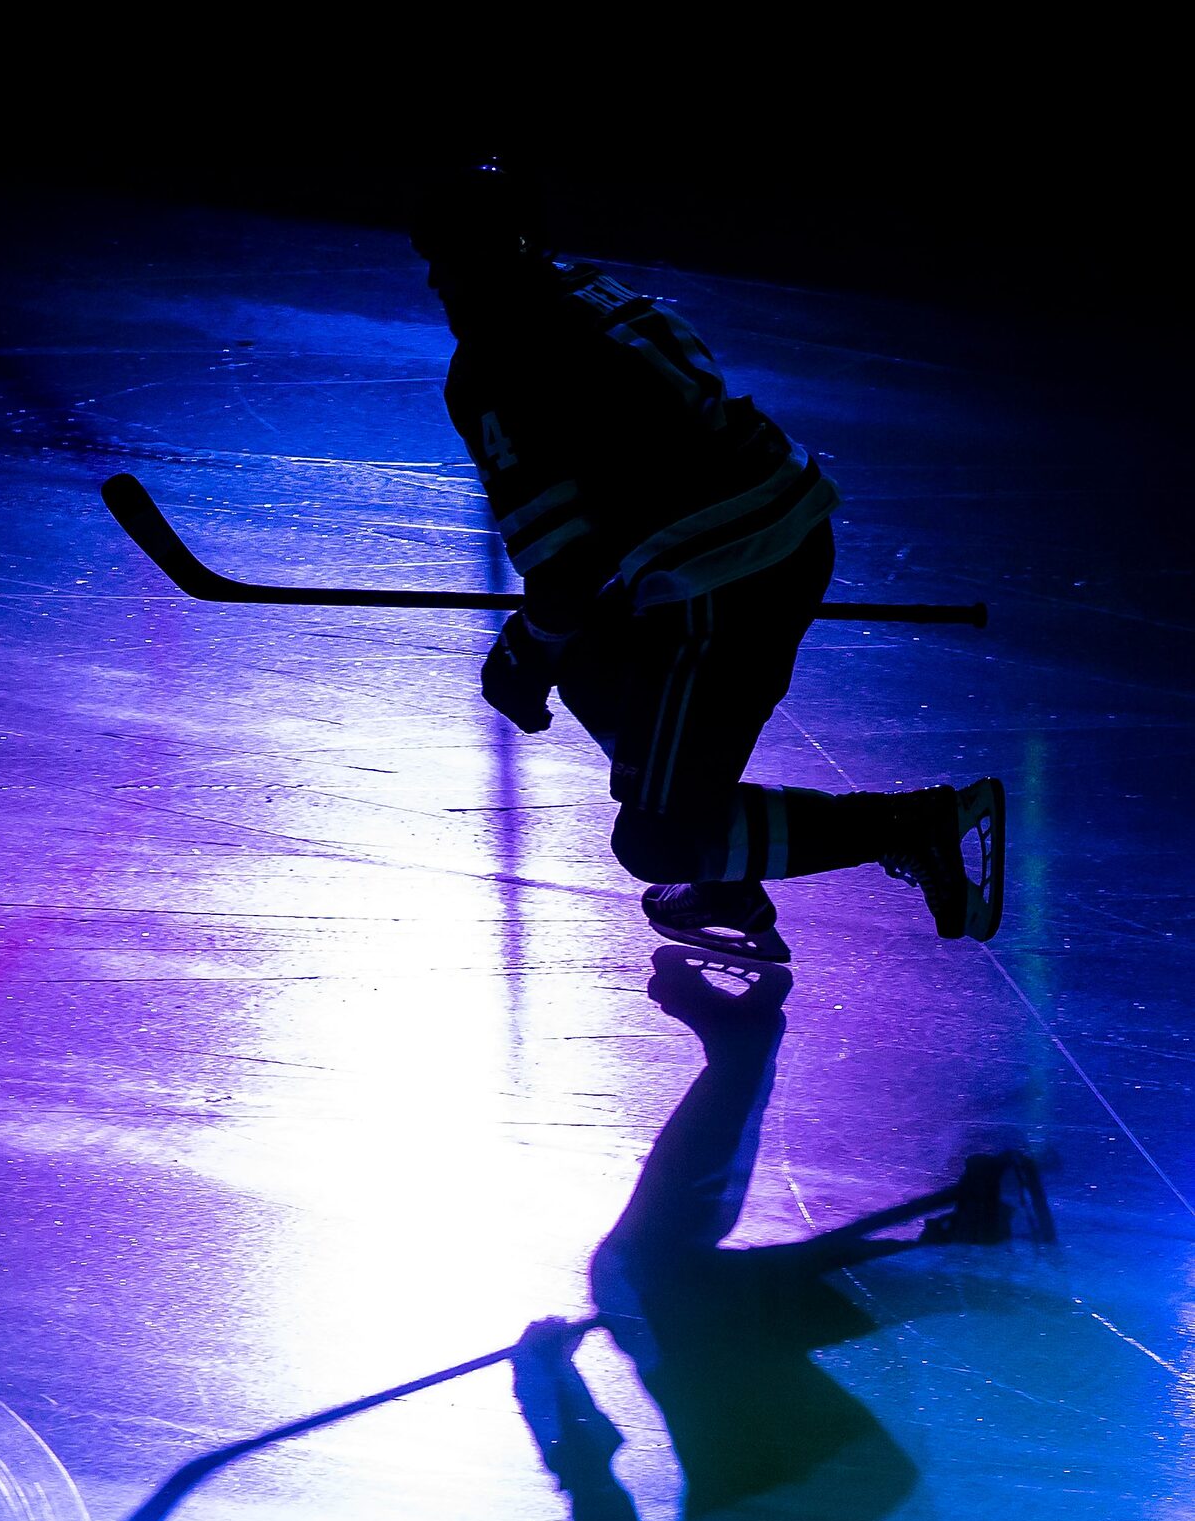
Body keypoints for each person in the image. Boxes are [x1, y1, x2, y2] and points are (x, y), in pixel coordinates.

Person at [410, 161, 1005, 962]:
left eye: (450, 257)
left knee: (656, 842)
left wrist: (524, 649)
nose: (438, 281)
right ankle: (723, 879)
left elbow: (565, 569)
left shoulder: (492, 362)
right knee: (591, 661)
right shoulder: (585, 288)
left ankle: (915, 826)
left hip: (719, 581)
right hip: (777, 532)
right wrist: (558, 636)